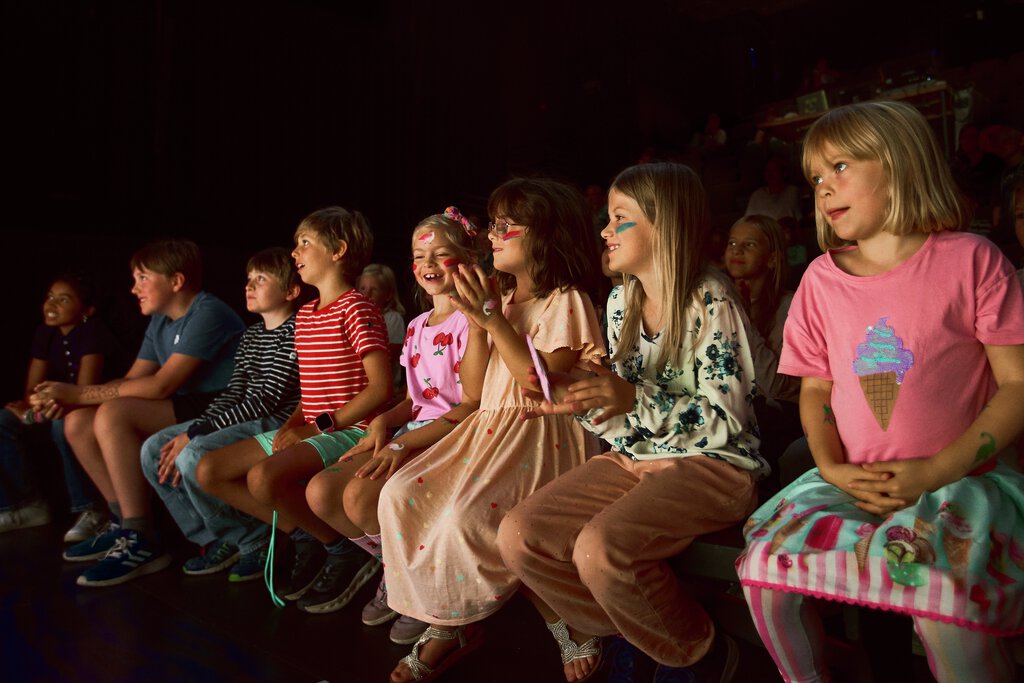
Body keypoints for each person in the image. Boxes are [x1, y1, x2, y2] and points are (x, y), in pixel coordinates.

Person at [736, 101, 1024, 683]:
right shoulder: (819, 281)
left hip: (959, 481)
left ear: (897, 164)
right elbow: (816, 391)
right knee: (764, 571)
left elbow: (1017, 384)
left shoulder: (973, 260)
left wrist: (938, 468)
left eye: (840, 167)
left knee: (943, 609)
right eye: (815, 176)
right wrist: (831, 467)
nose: (822, 187)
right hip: (853, 480)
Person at [498, 162, 766, 683]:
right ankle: (637, 633)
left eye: (619, 218)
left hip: (717, 466)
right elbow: (625, 415)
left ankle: (700, 654)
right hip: (637, 457)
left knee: (599, 548)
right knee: (519, 536)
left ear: (665, 225)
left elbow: (726, 420)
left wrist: (630, 399)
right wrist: (586, 399)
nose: (604, 230)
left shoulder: (710, 298)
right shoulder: (622, 300)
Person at [381, 178, 605, 683]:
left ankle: (558, 617)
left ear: (545, 236)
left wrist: (492, 321)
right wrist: (477, 317)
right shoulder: (499, 299)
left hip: (538, 435)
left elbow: (538, 384)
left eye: (507, 225)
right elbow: (475, 387)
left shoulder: (566, 301)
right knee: (400, 495)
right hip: (490, 429)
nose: (492, 235)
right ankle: (449, 620)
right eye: (494, 225)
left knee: (463, 519)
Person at [195, 206, 391, 613]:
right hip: (317, 426)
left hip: (352, 429)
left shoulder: (356, 308)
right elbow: (312, 390)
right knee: (209, 470)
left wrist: (316, 428)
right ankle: (312, 534)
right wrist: (290, 425)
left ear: (338, 250)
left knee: (262, 477)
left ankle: (342, 548)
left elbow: (380, 389)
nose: (294, 252)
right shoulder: (305, 314)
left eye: (304, 242)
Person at [306, 206, 480, 645]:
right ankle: (397, 570)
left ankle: (420, 583)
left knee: (360, 498)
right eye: (419, 257)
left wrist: (401, 446)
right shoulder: (419, 325)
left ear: (467, 259)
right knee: (321, 492)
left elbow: (470, 405)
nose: (427, 264)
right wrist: (383, 421)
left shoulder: (473, 323)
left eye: (440, 254)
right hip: (412, 431)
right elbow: (413, 400)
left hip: (452, 437)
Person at [35, 239, 244, 587]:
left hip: (223, 406)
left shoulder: (208, 312)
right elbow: (132, 381)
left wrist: (78, 392)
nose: (134, 289)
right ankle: (123, 524)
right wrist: (73, 402)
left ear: (176, 281)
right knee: (78, 421)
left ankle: (140, 536)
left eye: (143, 278)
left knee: (114, 414)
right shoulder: (160, 321)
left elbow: (161, 385)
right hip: (187, 403)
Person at [140, 247, 302, 581]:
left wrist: (197, 434)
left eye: (261, 279)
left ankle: (254, 538)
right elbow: (234, 392)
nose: (249, 285)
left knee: (193, 455)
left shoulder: (297, 331)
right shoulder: (251, 335)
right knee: (154, 448)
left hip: (276, 422)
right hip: (243, 417)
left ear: (290, 291)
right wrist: (198, 426)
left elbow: (265, 401)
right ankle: (218, 537)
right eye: (248, 278)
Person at [1, 273, 124, 538]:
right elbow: (31, 389)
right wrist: (29, 408)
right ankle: (26, 505)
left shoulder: (93, 332)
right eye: (50, 297)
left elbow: (83, 391)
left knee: (63, 424)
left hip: (91, 408)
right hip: (54, 406)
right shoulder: (45, 333)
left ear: (86, 310)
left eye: (63, 299)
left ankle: (92, 507)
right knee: (3, 420)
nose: (51, 304)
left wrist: (40, 409)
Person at [359, 263, 407, 390]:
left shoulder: (392, 318)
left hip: (384, 389)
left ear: (388, 295)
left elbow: (389, 356)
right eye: (362, 288)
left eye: (374, 289)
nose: (366, 294)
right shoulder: (355, 317)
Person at [744, 158, 803, 222]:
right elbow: (748, 220)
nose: (770, 174)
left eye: (774, 170)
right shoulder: (757, 195)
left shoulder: (792, 192)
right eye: (767, 170)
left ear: (784, 173)